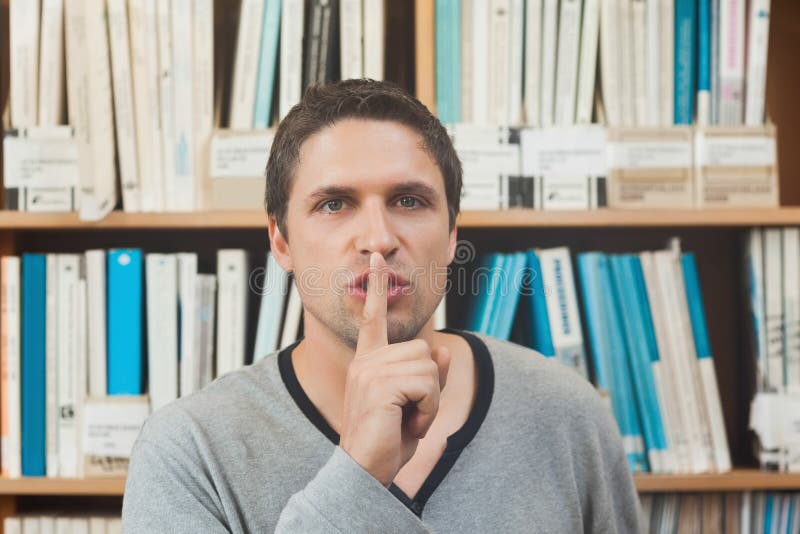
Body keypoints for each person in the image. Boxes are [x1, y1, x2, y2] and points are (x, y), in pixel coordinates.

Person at [121, 79, 641, 533]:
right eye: (334, 204)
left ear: (453, 234)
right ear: (281, 243)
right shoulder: (187, 452)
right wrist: (358, 474)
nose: (378, 239)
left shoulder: (569, 416)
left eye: (409, 201)